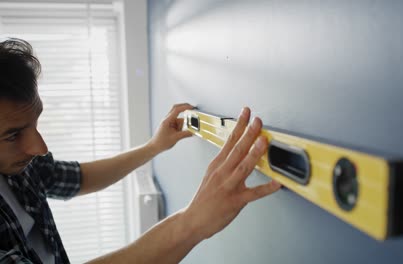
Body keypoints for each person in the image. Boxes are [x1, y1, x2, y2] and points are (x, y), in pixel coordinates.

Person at [0, 38, 282, 264]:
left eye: (35, 123)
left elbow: (77, 178)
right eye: (13, 135)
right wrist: (192, 222)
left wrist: (154, 146)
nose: (39, 147)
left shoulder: (20, 167)